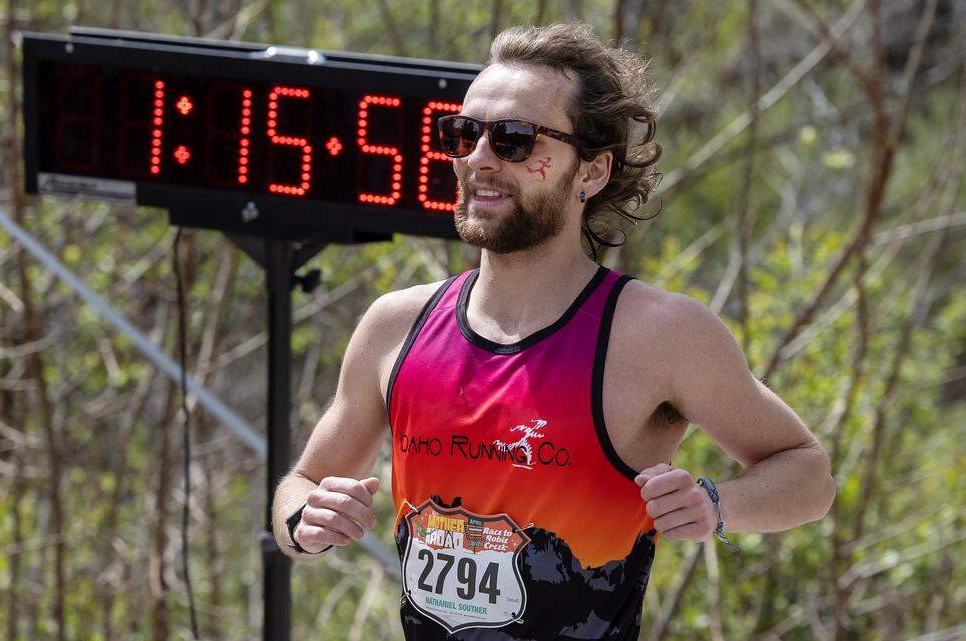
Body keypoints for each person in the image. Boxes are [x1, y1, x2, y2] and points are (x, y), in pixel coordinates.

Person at [272, 21, 835, 640]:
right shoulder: (395, 325)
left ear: (591, 172)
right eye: (463, 134)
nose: (479, 159)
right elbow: (300, 486)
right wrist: (306, 522)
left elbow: (808, 474)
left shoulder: (659, 334)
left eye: (514, 140)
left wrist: (717, 505)